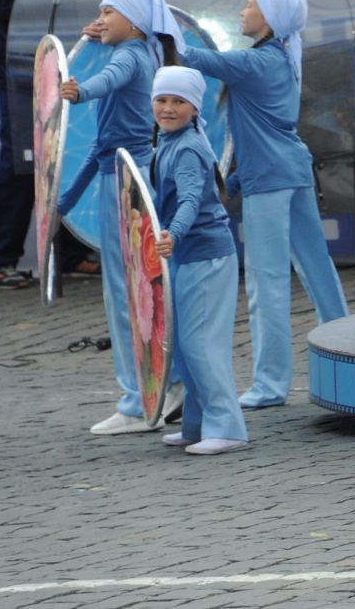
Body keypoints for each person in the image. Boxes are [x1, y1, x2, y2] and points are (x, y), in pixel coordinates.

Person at [177, 0, 347, 408]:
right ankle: (353, 354)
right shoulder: (279, 59)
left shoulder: (255, 62)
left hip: (270, 181)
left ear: (269, 17)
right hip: (291, 171)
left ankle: (270, 384)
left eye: (249, 5)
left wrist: (155, 24)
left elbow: (191, 57)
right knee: (317, 270)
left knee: (266, 282)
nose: (241, 11)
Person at [58, 0, 183, 433]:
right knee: (143, 288)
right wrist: (63, 202)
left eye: (108, 11)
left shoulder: (131, 54)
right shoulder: (140, 48)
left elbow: (107, 79)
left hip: (127, 183)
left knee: (127, 294)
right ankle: (169, 385)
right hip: (128, 176)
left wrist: (77, 91)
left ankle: (137, 401)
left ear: (132, 22)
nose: (100, 18)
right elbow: (99, 147)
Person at [0, 0, 104, 291]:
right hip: (21, 70)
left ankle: (73, 254)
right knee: (22, 159)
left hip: (73, 69)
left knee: (73, 153)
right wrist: (42, 2)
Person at [147, 66, 249, 455]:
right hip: (186, 255)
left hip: (204, 256)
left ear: (194, 108)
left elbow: (191, 199)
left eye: (178, 102)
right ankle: (199, 424)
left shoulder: (188, 147)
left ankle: (228, 428)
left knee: (201, 343)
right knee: (187, 346)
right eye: (161, 100)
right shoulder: (169, 142)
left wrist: (174, 232)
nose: (168, 108)